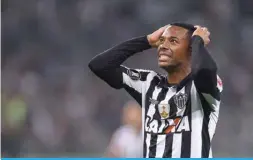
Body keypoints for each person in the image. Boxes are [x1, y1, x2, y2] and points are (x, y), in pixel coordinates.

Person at [88, 22, 223, 158]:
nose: (163, 46)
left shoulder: (201, 86)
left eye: (173, 41)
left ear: (190, 50)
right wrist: (146, 41)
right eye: (162, 41)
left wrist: (197, 42)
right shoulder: (148, 83)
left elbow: (206, 71)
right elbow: (100, 65)